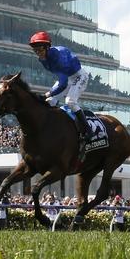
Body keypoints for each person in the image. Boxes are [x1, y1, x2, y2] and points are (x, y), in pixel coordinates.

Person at [29, 31, 90, 161]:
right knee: (50, 101)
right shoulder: (43, 58)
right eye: (35, 50)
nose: (38, 52)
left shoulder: (58, 58)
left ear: (47, 47)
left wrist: (48, 93)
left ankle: (86, 130)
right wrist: (49, 96)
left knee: (70, 101)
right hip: (67, 77)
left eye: (40, 49)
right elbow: (62, 81)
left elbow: (62, 85)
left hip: (79, 76)